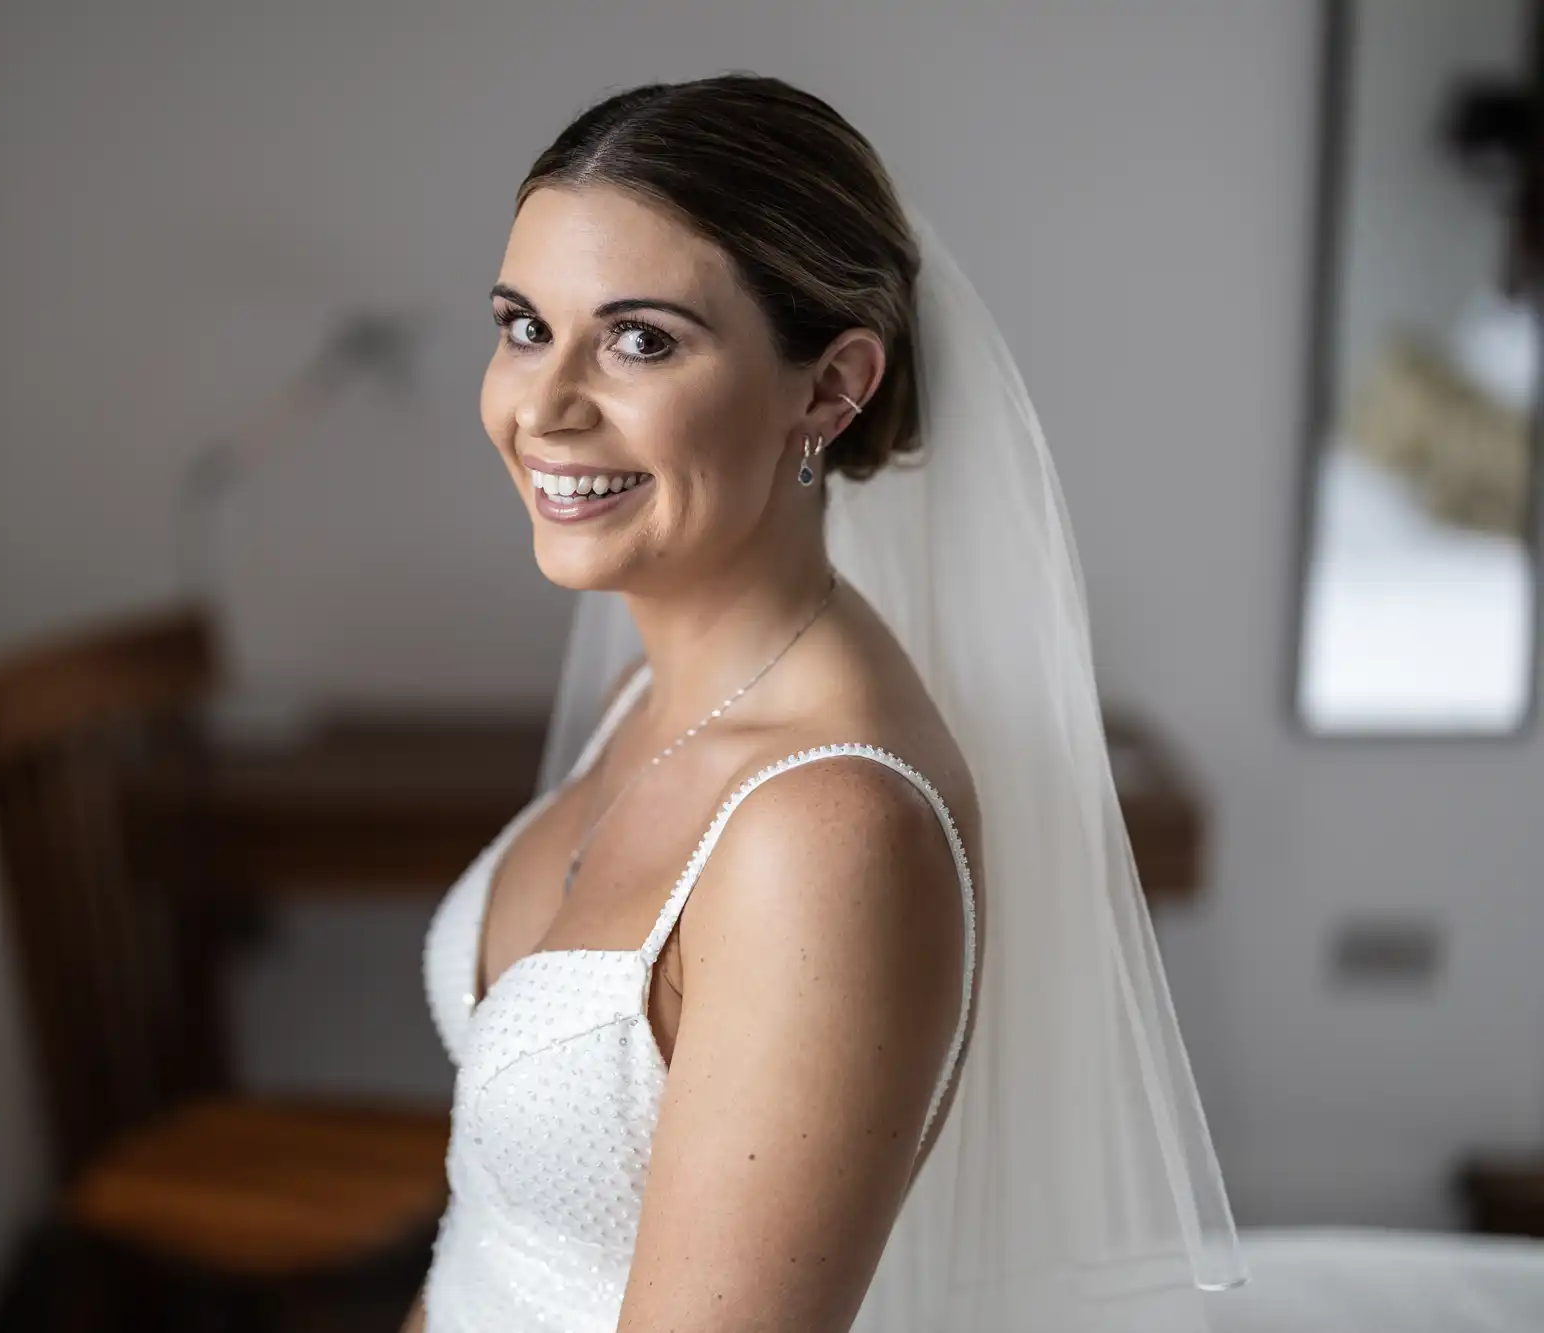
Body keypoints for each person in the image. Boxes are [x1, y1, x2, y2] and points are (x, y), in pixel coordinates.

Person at [403, 72, 1247, 1332]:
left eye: (639, 339)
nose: (545, 405)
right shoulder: (651, 689)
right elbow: (486, 1238)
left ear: (829, 386)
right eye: (524, 324)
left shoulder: (828, 832)